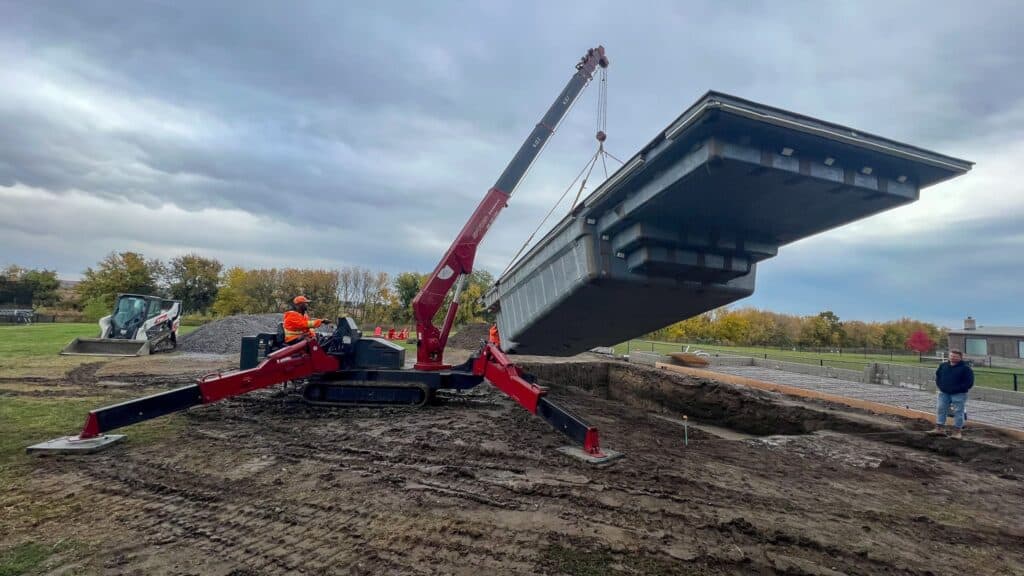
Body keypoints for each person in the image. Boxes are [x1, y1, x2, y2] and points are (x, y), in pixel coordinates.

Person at [928, 349, 974, 439]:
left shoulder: (965, 369)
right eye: (951, 356)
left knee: (958, 412)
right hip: (944, 393)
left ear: (960, 357)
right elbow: (938, 376)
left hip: (959, 394)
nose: (953, 358)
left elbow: (969, 382)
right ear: (949, 356)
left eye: (955, 356)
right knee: (941, 408)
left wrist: (958, 389)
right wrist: (941, 386)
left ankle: (957, 432)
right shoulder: (943, 366)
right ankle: (939, 428)